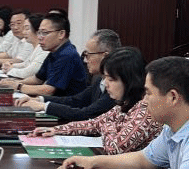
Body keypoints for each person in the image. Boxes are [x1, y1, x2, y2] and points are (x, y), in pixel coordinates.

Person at [55, 56, 189, 169]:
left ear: (172, 97)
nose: (144, 100)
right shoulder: (171, 129)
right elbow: (143, 160)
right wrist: (94, 162)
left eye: (148, 93)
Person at [33, 47, 162, 154]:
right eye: (105, 78)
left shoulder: (145, 110)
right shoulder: (125, 103)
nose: (105, 84)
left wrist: (107, 126)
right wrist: (57, 130)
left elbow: (114, 148)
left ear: (129, 81)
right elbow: (94, 123)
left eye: (111, 79)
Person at [16, 29, 122, 120]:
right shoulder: (99, 80)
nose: (85, 60)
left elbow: (85, 114)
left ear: (105, 56)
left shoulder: (117, 86)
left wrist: (43, 106)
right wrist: (38, 100)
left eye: (88, 55)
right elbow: (75, 100)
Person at [0, 13, 87, 97]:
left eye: (44, 33)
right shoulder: (54, 51)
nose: (39, 37)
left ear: (61, 34)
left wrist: (19, 86)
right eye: (39, 32)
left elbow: (49, 90)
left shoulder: (67, 54)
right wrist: (14, 83)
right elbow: (38, 79)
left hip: (64, 104)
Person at [0, 13, 48, 79]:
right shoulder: (36, 47)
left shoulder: (44, 50)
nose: (24, 32)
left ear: (38, 31)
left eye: (27, 29)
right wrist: (11, 66)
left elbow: (28, 73)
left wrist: (10, 70)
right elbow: (26, 64)